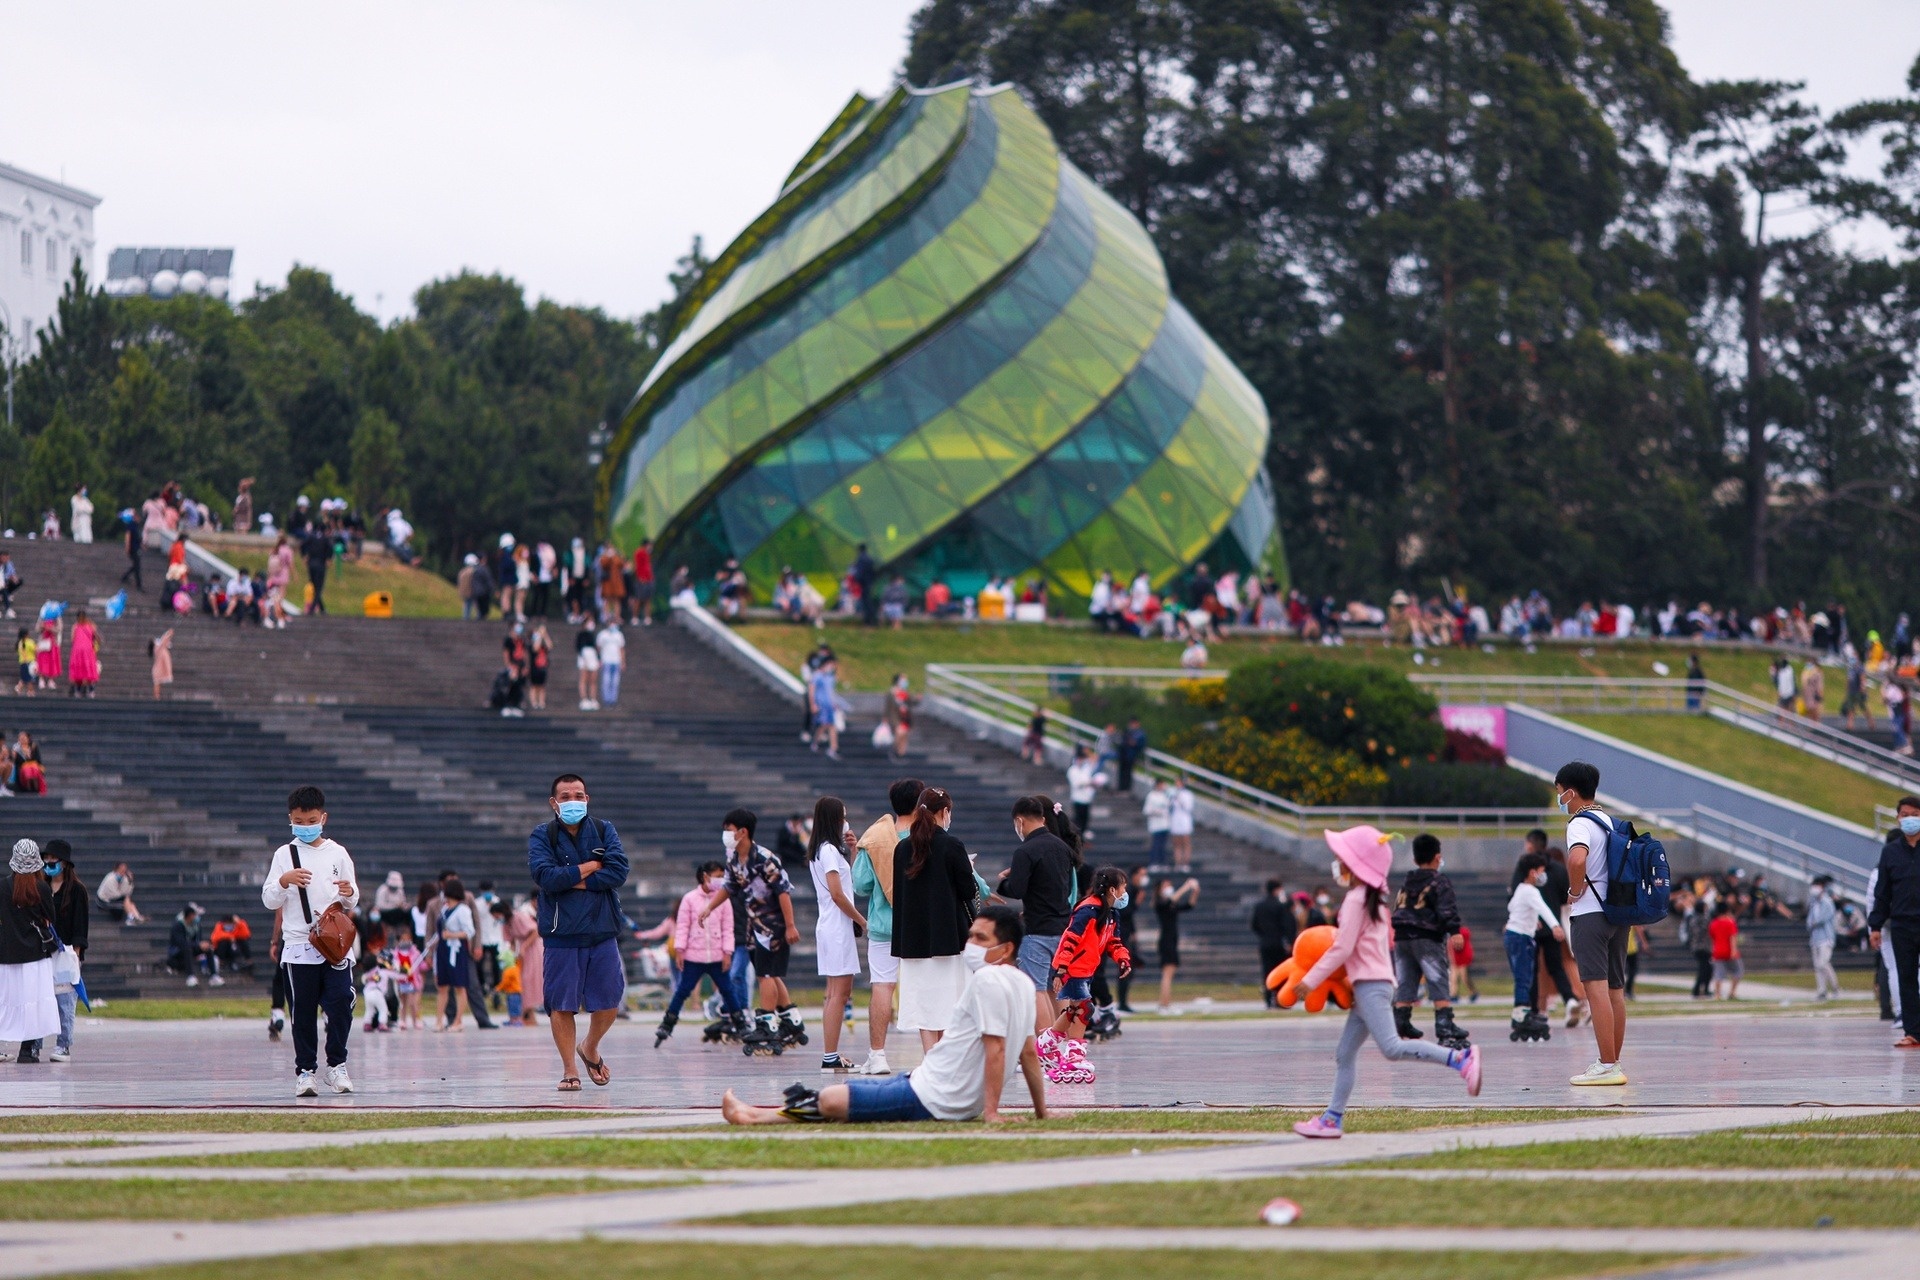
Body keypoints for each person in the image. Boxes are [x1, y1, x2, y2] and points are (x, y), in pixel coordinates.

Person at [721, 905, 1048, 1126]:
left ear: (1005, 949)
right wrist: (1041, 1112)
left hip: (933, 1096)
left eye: (981, 939)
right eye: (971, 935)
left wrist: (991, 1113)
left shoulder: (989, 980)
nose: (970, 944)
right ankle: (759, 1112)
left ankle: (757, 1118)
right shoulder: (1021, 983)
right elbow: (1029, 1053)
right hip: (930, 1084)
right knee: (854, 1091)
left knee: (836, 1098)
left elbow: (998, 1050)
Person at [1292, 827, 1482, 1139]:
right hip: (1371, 985)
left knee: (1392, 1048)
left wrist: (1310, 980)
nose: (1336, 864)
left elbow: (1342, 947)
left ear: (1354, 864)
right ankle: (1332, 1119)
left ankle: (1460, 1059)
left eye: (1340, 858)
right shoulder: (1372, 900)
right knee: (1344, 1053)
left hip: (1371, 986)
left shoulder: (1357, 900)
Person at [527, 774, 631, 1090]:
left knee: (610, 1001)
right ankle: (570, 1070)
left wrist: (571, 878)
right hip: (561, 932)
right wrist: (591, 866)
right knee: (561, 1005)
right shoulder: (543, 835)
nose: (574, 801)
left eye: (579, 795)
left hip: (602, 930)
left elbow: (619, 871)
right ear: (554, 802)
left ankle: (589, 1047)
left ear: (587, 798)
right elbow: (545, 876)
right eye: (566, 796)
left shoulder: (603, 829)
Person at [261, 785, 359, 1096]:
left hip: (333, 945)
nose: (305, 827)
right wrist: (283, 881)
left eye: (311, 820)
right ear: (290, 819)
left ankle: (337, 1064)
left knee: (342, 1000)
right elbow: (268, 899)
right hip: (299, 946)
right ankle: (305, 1071)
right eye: (299, 822)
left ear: (323, 818)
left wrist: (348, 892)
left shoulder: (337, 853)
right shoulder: (283, 854)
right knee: (302, 1011)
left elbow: (353, 897)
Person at [1554, 761, 1630, 1086]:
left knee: (1595, 989)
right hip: (1616, 912)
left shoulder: (1579, 823)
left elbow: (1576, 858)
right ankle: (1612, 1062)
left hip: (1589, 914)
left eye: (1560, 793)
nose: (1560, 799)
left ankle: (1607, 1064)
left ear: (1571, 791)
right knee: (1615, 990)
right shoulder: (1610, 821)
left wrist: (1574, 889)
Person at [702, 808, 802, 1051]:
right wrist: (709, 909)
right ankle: (790, 1018)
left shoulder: (765, 859)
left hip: (773, 926)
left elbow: (783, 892)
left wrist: (790, 926)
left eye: (729, 830)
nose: (726, 834)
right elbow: (729, 887)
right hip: (754, 926)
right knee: (768, 972)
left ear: (743, 832)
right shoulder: (736, 860)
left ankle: (767, 1021)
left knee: (765, 974)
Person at [891, 787, 979, 1050]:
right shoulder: (952, 845)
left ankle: (930, 1061)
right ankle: (944, 1063)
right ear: (945, 812)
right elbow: (966, 890)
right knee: (950, 1005)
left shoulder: (903, 848)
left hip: (913, 940)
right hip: (948, 938)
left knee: (925, 1009)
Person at [851, 777, 920, 1076]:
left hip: (883, 925)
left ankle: (877, 1055)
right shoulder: (929, 835)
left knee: (881, 985)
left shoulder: (875, 836)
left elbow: (861, 885)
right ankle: (934, 1055)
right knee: (926, 987)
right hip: (921, 925)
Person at [1040, 865, 1131, 1083]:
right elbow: (1069, 938)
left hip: (1086, 969)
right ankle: (1074, 1056)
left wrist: (1123, 959)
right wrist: (1061, 969)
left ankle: (1046, 1043)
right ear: (1112, 890)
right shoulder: (1088, 910)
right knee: (1084, 1009)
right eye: (1123, 887)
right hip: (1073, 968)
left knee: (1073, 1010)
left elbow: (1113, 942)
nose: (1125, 892)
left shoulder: (1111, 914)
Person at [999, 795, 1081, 1035]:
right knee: (1057, 989)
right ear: (1043, 819)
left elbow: (1017, 889)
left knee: (1035, 989)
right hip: (1063, 928)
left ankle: (1047, 1046)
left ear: (1020, 821)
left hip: (1037, 929)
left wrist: (1004, 882)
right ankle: (1064, 1041)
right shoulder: (1062, 848)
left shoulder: (1025, 850)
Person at [654, 861, 743, 1046]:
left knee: (728, 990)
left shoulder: (723, 899)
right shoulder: (689, 899)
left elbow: (728, 928)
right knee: (683, 990)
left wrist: (727, 952)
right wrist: (680, 950)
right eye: (717, 875)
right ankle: (667, 1023)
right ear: (705, 876)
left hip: (717, 956)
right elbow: (682, 927)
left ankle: (740, 1024)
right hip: (694, 956)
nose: (721, 880)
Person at [1390, 834, 1468, 1047]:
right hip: (1427, 936)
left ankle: (1400, 1021)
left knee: (1406, 978)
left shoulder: (1407, 881)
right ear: (1437, 857)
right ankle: (1444, 1025)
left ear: (1414, 860)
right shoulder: (1438, 880)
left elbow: (1398, 906)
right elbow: (1446, 908)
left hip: (1402, 936)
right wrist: (1455, 931)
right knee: (1437, 977)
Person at [808, 795, 867, 1072]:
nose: (846, 822)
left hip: (833, 926)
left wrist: (853, 852)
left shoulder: (828, 850)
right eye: (842, 816)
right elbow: (838, 894)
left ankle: (831, 1053)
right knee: (838, 994)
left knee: (836, 993)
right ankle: (829, 1055)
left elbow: (847, 882)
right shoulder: (828, 850)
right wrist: (862, 921)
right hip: (836, 927)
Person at [1, 840, 60, 1064]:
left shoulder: (3, 886)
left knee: (6, 1001)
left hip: (6, 953)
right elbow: (50, 918)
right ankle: (27, 1051)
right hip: (35, 954)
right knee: (33, 1001)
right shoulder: (42, 888)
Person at [1870, 795, 1920, 1049]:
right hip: (1902, 925)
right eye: (1905, 815)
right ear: (1898, 818)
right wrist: (1875, 925)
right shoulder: (1890, 852)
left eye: (1915, 814)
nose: (1910, 819)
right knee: (1907, 977)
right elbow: (1883, 892)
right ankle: (1913, 1031)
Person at [1503, 852, 1562, 1042]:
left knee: (1523, 976)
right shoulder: (1531, 891)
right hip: (1520, 938)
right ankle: (1521, 1014)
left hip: (1513, 936)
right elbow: (1543, 908)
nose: (1543, 876)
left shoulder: (1520, 889)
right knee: (1524, 977)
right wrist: (1555, 926)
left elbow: (1512, 907)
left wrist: (1531, 920)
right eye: (1541, 871)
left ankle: (1521, 1012)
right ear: (1532, 872)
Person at [41, 841, 85, 1061]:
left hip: (66, 952)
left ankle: (63, 1044)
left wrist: (76, 954)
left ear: (64, 863)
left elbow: (80, 925)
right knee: (39, 999)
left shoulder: (77, 891)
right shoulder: (42, 887)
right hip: (42, 952)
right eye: (46, 859)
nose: (49, 863)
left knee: (65, 1002)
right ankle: (34, 1044)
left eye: (53, 859)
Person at [1153, 876, 1201, 1013]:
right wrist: (1186, 887)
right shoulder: (1160, 903)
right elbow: (1170, 900)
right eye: (1165, 885)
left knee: (1169, 974)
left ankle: (1166, 1003)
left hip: (1172, 940)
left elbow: (1189, 906)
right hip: (1166, 941)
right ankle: (1164, 1005)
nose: (1169, 888)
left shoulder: (1171, 905)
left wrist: (1195, 892)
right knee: (1167, 974)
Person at [435, 878, 476, 1030]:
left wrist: (452, 935)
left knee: (459, 986)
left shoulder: (463, 910)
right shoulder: (444, 909)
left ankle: (458, 1020)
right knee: (442, 986)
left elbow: (469, 931)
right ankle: (439, 1020)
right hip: (443, 950)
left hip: (456, 950)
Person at [1251, 878, 1297, 1008]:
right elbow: (1287, 925)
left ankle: (1268, 999)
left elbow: (1254, 925)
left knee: (1266, 972)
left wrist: (1264, 935)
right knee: (1280, 972)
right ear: (1277, 889)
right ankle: (1280, 999)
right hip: (1279, 943)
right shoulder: (1280, 906)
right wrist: (1289, 940)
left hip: (1265, 943)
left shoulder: (1259, 906)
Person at [502, 896, 543, 1027]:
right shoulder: (506, 923)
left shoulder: (519, 916)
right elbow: (511, 940)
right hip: (522, 953)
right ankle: (528, 1014)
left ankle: (527, 1013)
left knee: (529, 980)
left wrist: (524, 947)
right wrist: (512, 954)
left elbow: (535, 931)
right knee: (522, 982)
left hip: (532, 948)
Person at [1806, 875, 1841, 1001]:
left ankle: (1835, 987)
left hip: (1826, 937)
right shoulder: (1813, 902)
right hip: (1815, 938)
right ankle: (1822, 990)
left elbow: (1823, 918)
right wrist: (1811, 923)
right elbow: (1809, 920)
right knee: (1817, 966)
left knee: (1823, 963)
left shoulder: (1827, 902)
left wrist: (1814, 922)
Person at [167, 902, 215, 986]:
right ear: (190, 915)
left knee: (208, 949)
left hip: (191, 947)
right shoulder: (178, 926)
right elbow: (181, 943)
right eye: (195, 914)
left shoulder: (196, 925)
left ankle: (214, 976)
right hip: (178, 952)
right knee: (187, 948)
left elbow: (198, 940)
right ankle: (190, 976)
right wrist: (198, 945)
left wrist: (203, 945)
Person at [1065, 746, 1103, 838]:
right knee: (1078, 819)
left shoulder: (1086, 769)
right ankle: (1077, 836)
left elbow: (1095, 761)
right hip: (1078, 798)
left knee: (1085, 818)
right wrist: (1088, 783)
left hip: (1087, 798)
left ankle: (1083, 835)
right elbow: (1077, 784)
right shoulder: (1072, 770)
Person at [1709, 901, 1742, 1000]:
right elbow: (1733, 937)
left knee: (1718, 974)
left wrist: (1713, 951)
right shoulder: (1730, 922)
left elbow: (1712, 938)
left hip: (1717, 951)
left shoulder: (1713, 923)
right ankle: (1732, 992)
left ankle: (1717, 994)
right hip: (1729, 950)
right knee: (1738, 971)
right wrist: (1734, 950)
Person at [809, 655, 840, 758]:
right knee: (825, 725)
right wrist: (813, 704)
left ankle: (833, 747)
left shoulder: (829, 677)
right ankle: (816, 742)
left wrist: (834, 703)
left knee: (831, 726)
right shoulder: (817, 675)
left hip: (829, 706)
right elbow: (812, 690)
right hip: (821, 705)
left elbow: (831, 692)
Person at [67, 611, 99, 699]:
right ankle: (78, 689)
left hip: (86, 651)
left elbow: (96, 637)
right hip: (79, 651)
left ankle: (87, 689)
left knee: (86, 669)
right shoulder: (76, 626)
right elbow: (73, 639)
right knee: (79, 669)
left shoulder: (89, 626)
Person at [595, 615, 625, 708]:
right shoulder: (602, 634)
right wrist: (599, 659)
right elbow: (598, 648)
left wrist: (623, 661)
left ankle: (613, 700)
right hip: (606, 660)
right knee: (606, 681)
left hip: (616, 661)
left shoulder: (619, 635)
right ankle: (606, 700)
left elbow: (621, 649)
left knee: (615, 682)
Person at [1168, 775, 1196, 870]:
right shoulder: (1173, 793)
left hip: (1184, 819)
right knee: (1177, 843)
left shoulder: (1188, 794)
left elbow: (1188, 807)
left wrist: (1180, 799)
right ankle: (1178, 863)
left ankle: (1186, 863)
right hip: (1175, 819)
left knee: (1185, 842)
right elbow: (1170, 806)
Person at [1142, 778, 1172, 865]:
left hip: (1165, 824)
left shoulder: (1165, 796)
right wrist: (1156, 812)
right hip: (1155, 825)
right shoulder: (1151, 796)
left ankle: (1162, 863)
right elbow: (1146, 810)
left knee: (1163, 845)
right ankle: (1154, 862)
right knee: (1156, 844)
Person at [574, 619, 600, 710]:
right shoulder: (581, 634)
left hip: (593, 655)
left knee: (593, 679)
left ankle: (593, 699)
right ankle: (584, 699)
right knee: (583, 678)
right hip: (584, 654)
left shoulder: (594, 634)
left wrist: (598, 658)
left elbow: (596, 647)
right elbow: (578, 646)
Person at [1117, 718, 1147, 794]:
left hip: (1131, 755)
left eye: (1133, 723)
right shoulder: (1127, 731)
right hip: (1123, 754)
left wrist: (1135, 744)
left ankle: (1126, 789)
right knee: (1121, 771)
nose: (1132, 725)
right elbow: (1121, 740)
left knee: (1128, 772)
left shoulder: (1141, 734)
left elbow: (1142, 745)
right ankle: (1120, 787)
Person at [150, 628, 174, 700]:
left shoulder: (160, 649)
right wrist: (168, 633)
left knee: (158, 683)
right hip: (158, 669)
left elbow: (163, 641)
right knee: (157, 683)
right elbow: (163, 640)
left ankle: (158, 696)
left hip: (159, 669)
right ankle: (156, 696)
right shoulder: (158, 648)